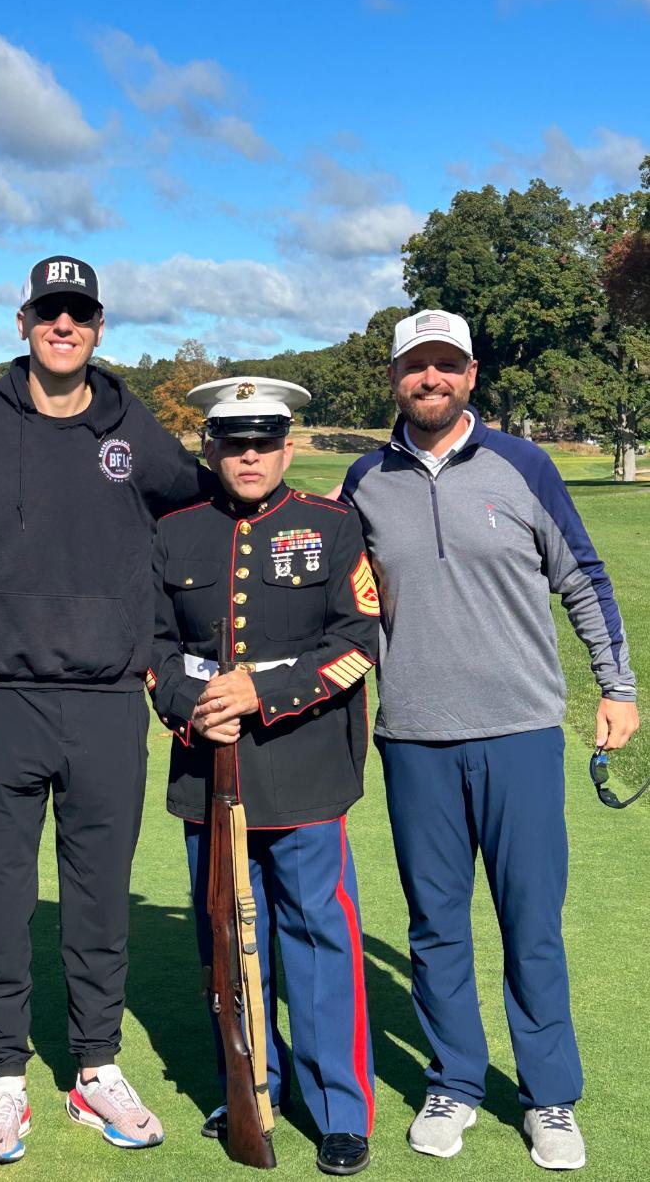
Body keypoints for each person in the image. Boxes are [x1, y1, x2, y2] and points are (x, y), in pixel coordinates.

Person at [0, 256, 214, 1163]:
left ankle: (95, 1068)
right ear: (23, 319)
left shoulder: (130, 426)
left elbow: (203, 512)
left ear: (99, 326)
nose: (62, 327)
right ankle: (2, 1079)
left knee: (98, 897)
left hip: (109, 700)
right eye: (48, 312)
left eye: (79, 314)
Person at [340, 310, 640, 1172]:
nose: (429, 379)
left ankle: (549, 1095)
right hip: (415, 736)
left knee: (530, 922)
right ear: (395, 375)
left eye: (445, 365)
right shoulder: (363, 480)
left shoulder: (524, 464)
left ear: (471, 374)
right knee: (436, 923)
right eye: (414, 366)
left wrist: (616, 684)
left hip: (519, 730)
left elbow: (582, 575)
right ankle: (455, 1081)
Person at [148, 376, 379, 1177]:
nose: (248, 456)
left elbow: (359, 639)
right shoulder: (175, 531)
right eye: (232, 442)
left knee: (318, 935)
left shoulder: (332, 524)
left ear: (287, 445)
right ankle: (247, 1083)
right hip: (207, 763)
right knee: (224, 939)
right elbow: (152, 646)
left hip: (305, 760)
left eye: (263, 442)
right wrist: (188, 707)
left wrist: (265, 693)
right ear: (211, 447)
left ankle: (338, 1107)